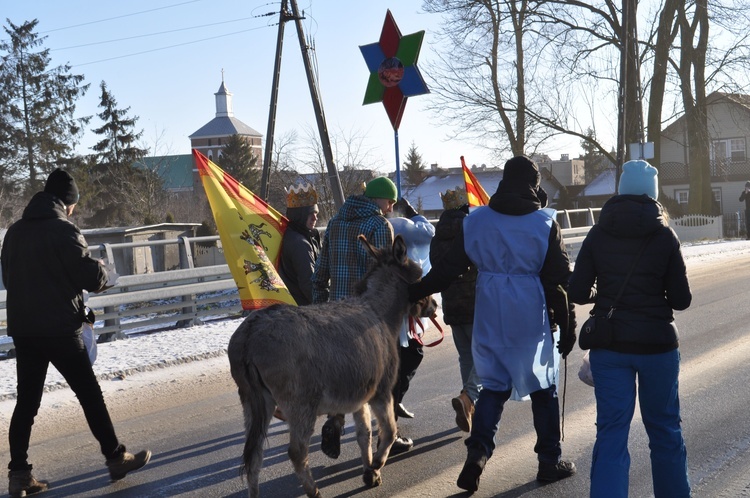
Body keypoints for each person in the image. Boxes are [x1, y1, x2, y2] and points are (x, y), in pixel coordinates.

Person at [408, 156, 577, 493]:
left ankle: (477, 456)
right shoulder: (544, 224)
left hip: (489, 308)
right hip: (528, 310)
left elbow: (446, 270)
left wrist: (413, 290)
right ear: (534, 185)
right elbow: (559, 281)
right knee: (543, 388)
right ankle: (548, 461)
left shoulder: (478, 220)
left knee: (494, 386)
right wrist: (568, 323)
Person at [1, 169, 151, 497]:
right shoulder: (64, 230)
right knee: (89, 394)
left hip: (25, 331)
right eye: (74, 205)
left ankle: (19, 475)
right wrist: (101, 270)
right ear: (68, 203)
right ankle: (116, 458)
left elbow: (10, 277)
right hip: (60, 329)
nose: (74, 210)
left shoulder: (14, 232)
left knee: (26, 402)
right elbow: (90, 278)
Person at [568, 160, 692, 498]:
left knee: (611, 433)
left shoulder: (598, 232)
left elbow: (577, 292)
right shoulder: (665, 235)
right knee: (665, 431)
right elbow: (681, 300)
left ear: (620, 190)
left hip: (611, 347)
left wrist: (602, 293)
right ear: (652, 195)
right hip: (658, 346)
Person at [311, 176, 408, 458]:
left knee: (341, 372)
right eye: (389, 201)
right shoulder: (379, 226)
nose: (390, 208)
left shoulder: (335, 223)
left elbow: (320, 273)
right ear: (379, 199)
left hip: (333, 314)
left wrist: (318, 309)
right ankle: (387, 437)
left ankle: (335, 421)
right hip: (366, 317)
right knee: (379, 378)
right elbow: (387, 276)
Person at [387, 197, 436, 454]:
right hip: (397, 307)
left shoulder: (382, 223)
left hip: (378, 305)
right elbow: (428, 231)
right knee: (406, 359)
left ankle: (394, 404)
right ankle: (390, 418)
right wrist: (415, 214)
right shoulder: (397, 226)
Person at [431, 187, 481, 432]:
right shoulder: (471, 230)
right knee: (487, 356)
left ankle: (469, 406)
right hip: (475, 304)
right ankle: (469, 397)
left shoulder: (437, 236)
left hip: (451, 304)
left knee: (466, 357)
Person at [278, 182, 321, 306]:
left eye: (316, 213)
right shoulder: (300, 244)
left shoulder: (292, 235)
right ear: (299, 215)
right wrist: (323, 307)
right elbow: (309, 284)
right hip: (303, 309)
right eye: (310, 213)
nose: (315, 218)